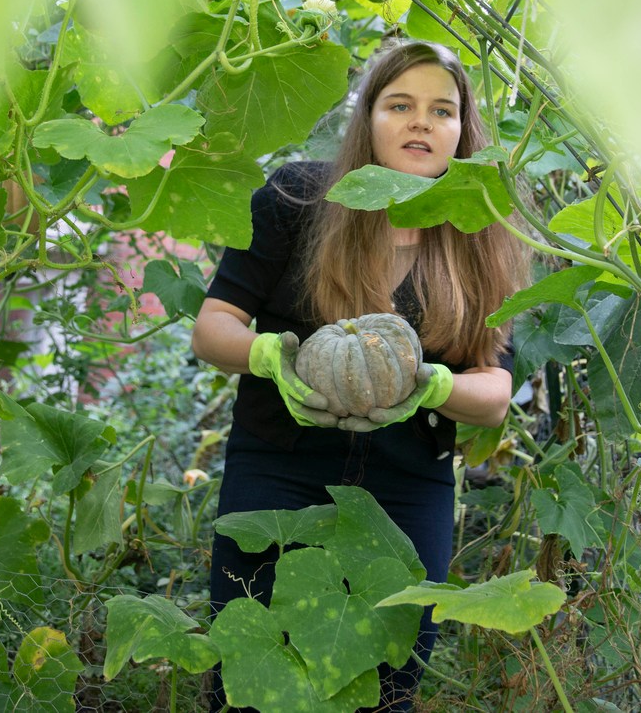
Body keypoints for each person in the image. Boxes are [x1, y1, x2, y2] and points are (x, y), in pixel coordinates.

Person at [191, 39, 529, 712]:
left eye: (442, 109)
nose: (419, 122)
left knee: (384, 688)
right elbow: (213, 326)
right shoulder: (294, 198)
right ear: (367, 116)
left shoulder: (480, 230)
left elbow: (495, 393)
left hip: (407, 489)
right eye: (399, 104)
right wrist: (269, 356)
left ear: (463, 130)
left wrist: (433, 386)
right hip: (277, 467)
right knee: (248, 681)